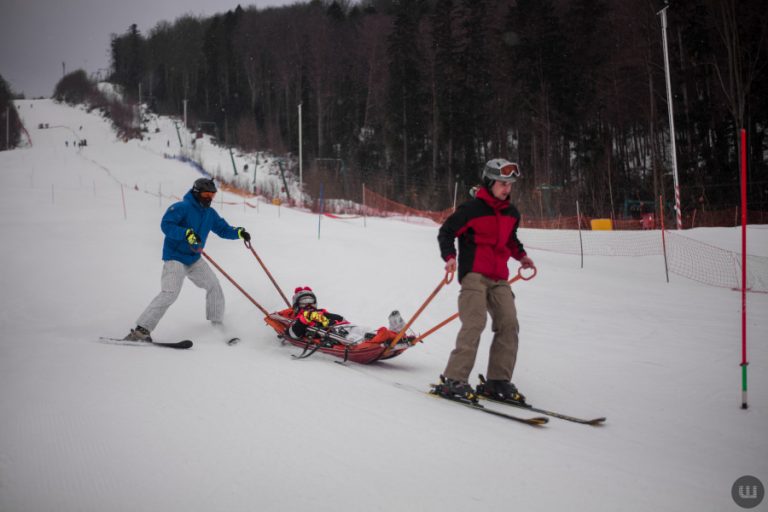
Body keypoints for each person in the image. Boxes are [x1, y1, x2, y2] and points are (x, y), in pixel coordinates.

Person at [434, 158, 535, 403]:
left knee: (509, 323)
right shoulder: (471, 209)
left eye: (510, 184)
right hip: (474, 275)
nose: (507, 189)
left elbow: (511, 240)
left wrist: (522, 256)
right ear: (489, 182)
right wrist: (450, 256)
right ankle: (454, 379)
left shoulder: (512, 213)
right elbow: (446, 232)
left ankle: (498, 381)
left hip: (499, 277)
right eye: (502, 183)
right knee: (475, 322)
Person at [123, 177, 251, 341]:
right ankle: (141, 330)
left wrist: (238, 232)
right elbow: (166, 225)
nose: (209, 198)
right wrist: (186, 233)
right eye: (206, 194)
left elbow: (223, 229)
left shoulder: (210, 213)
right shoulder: (181, 207)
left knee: (214, 285)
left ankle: (217, 325)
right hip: (175, 257)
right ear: (196, 193)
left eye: (212, 195)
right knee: (170, 293)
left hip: (194, 258)